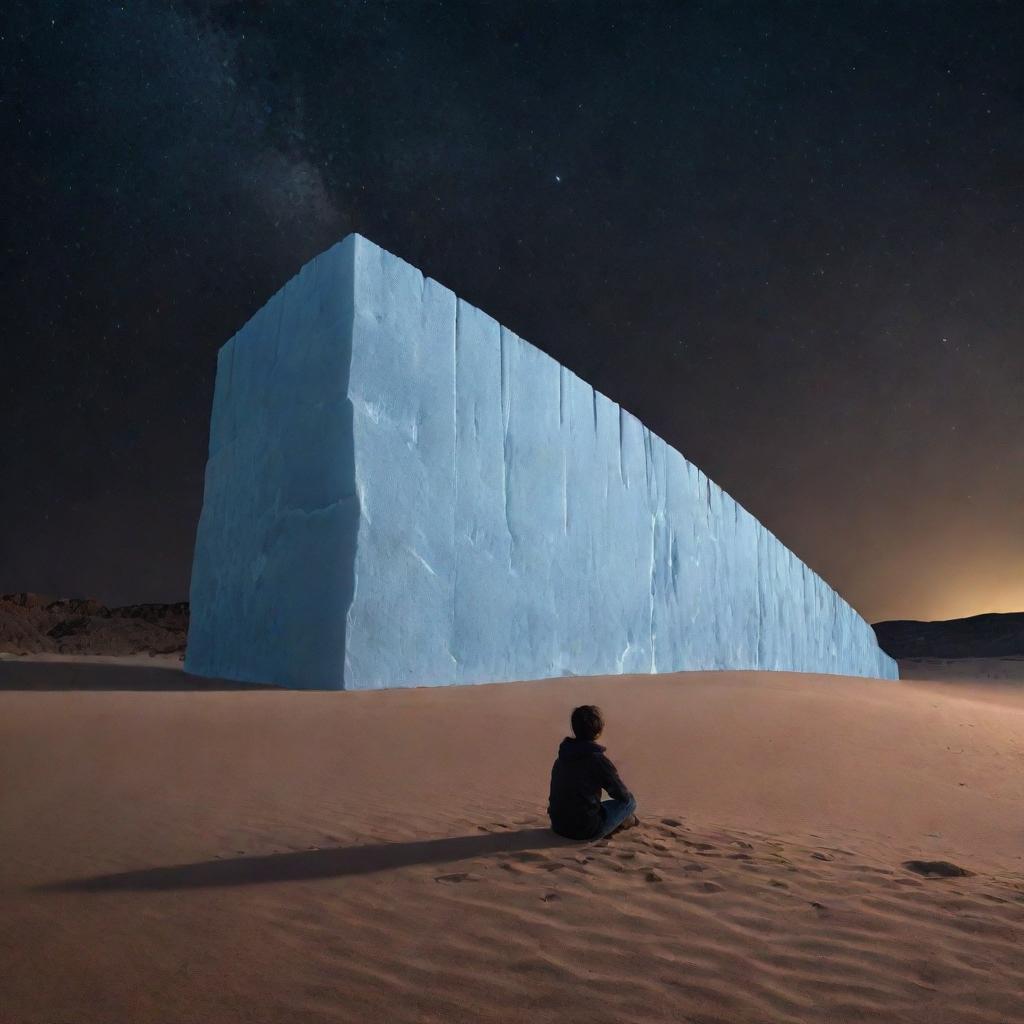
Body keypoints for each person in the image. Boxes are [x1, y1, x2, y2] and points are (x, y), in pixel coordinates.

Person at [547, 704, 638, 840]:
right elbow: (621, 794)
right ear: (598, 730)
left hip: (558, 826)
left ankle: (618, 821)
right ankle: (623, 822)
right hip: (584, 830)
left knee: (592, 804)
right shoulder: (597, 760)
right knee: (630, 802)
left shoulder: (562, 757)